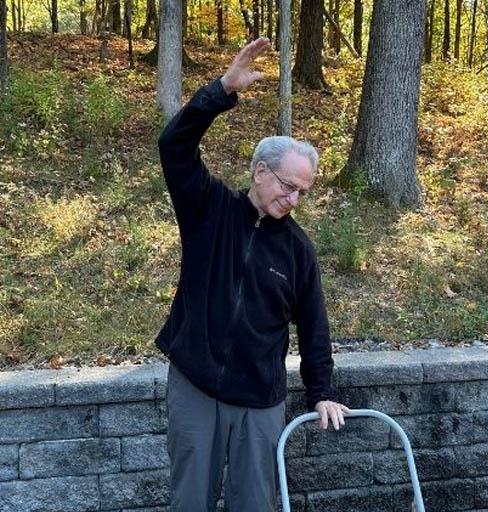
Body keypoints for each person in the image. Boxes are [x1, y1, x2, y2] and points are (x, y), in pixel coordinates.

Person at [156, 36, 349, 512]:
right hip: (196, 386)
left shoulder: (299, 251)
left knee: (254, 505)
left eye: (304, 192)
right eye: (288, 186)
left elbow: (314, 325)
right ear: (261, 172)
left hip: (259, 401)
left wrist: (321, 392)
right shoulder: (210, 209)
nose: (294, 199)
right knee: (191, 503)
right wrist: (221, 89)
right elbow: (173, 146)